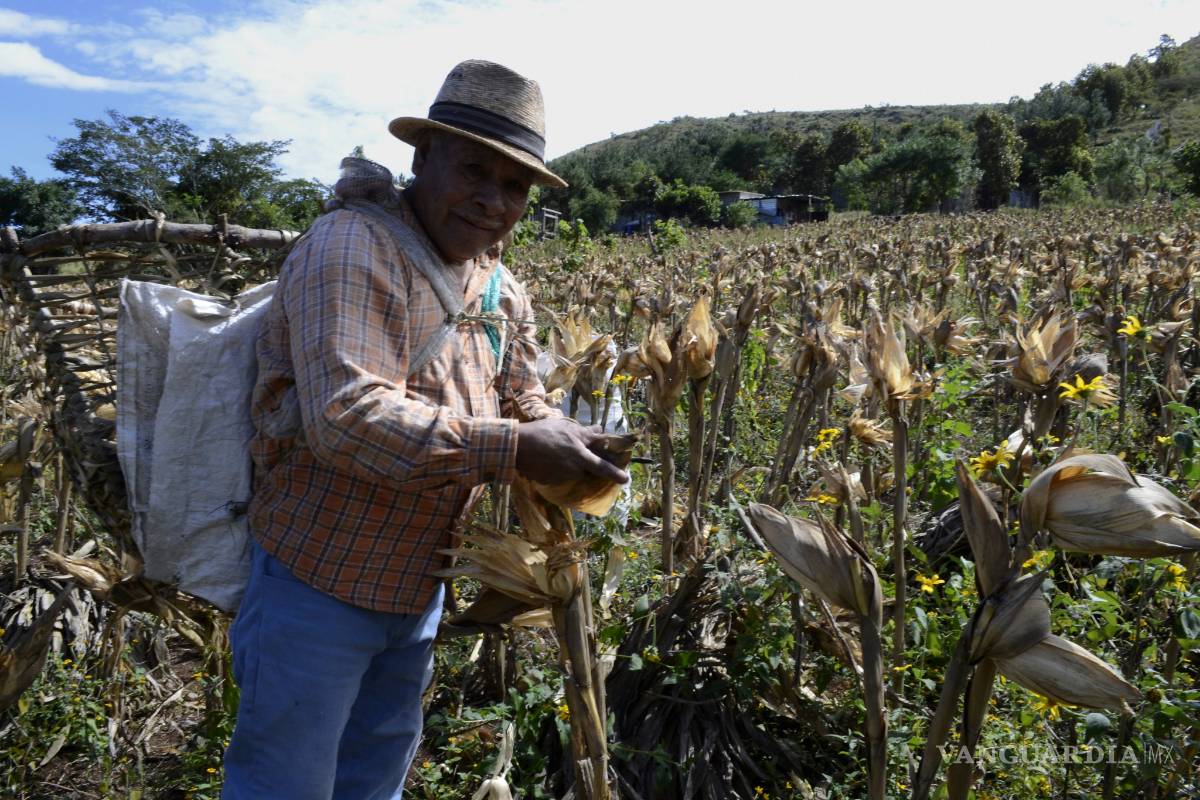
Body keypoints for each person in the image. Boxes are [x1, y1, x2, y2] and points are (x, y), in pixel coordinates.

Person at [221, 60, 628, 800]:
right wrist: (515, 447)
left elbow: (520, 393)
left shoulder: (500, 286)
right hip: (318, 584)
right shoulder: (352, 247)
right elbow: (348, 416)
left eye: (514, 186)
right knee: (286, 782)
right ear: (422, 157)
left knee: (374, 773)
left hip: (417, 588)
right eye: (475, 170)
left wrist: (566, 439)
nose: (493, 201)